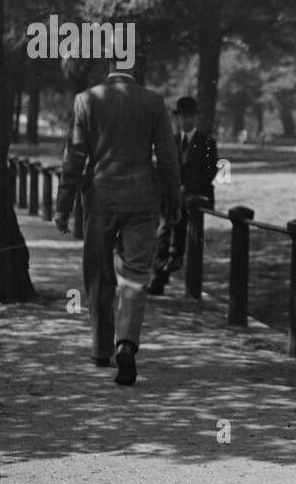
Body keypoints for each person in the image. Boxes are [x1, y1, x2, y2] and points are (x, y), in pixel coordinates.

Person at [54, 67, 182, 385]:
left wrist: (63, 206)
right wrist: (174, 204)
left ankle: (101, 349)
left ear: (109, 70)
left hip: (100, 200)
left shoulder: (86, 100)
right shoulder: (154, 102)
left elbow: (74, 157)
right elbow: (168, 158)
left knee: (99, 273)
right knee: (135, 275)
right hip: (143, 200)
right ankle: (125, 343)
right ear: (135, 71)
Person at [146, 96, 219, 295]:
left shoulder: (207, 143)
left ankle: (173, 261)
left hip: (194, 197)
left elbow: (209, 172)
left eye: (190, 116)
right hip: (171, 197)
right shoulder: (169, 142)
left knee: (174, 225)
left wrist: (185, 187)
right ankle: (160, 275)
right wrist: (170, 188)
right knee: (163, 230)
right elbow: (162, 170)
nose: (186, 120)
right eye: (183, 116)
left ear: (196, 118)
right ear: (177, 118)